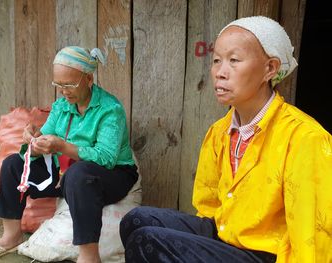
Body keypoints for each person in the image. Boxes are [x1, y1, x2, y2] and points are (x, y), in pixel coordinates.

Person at [119, 16, 332, 263]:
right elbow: (207, 206)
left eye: (234, 60)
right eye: (217, 60)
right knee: (135, 221)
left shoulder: (304, 137)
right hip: (226, 237)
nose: (220, 73)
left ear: (270, 68)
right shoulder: (219, 132)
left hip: (266, 255)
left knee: (147, 239)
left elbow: (313, 235)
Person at [0, 46, 138, 263]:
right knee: (12, 164)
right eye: (59, 85)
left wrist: (62, 146)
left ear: (89, 78)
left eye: (70, 84)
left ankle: (89, 257)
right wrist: (34, 141)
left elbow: (106, 158)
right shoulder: (61, 106)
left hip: (113, 175)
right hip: (68, 172)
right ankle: (11, 236)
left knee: (79, 173)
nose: (64, 91)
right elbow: (47, 138)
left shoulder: (110, 109)